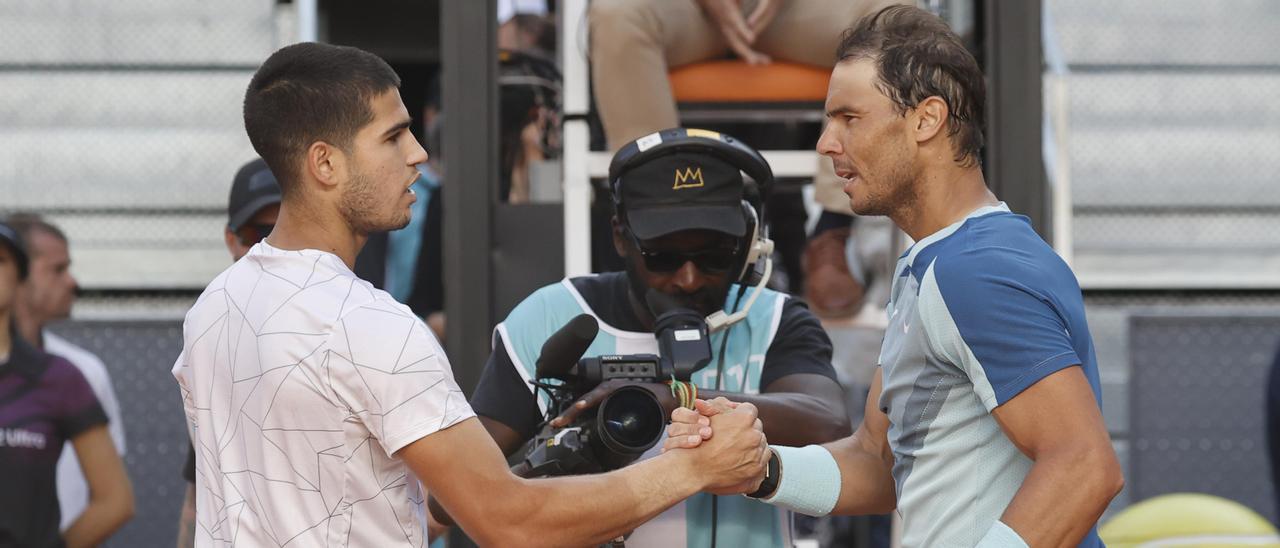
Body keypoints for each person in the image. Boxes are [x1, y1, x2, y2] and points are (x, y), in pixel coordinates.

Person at [173, 42, 768, 547]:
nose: (419, 154)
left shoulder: (213, 308)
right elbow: (505, 521)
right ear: (324, 163)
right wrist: (690, 469)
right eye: (394, 136)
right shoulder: (369, 325)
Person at [667, 6, 1124, 547]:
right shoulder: (937, 262)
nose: (826, 143)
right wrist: (758, 467)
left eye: (849, 118)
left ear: (926, 120)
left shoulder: (976, 272)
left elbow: (1085, 465)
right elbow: (878, 462)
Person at [467, 127, 850, 547]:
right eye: (662, 257)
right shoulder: (550, 315)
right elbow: (456, 496)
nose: (688, 279)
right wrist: (552, 466)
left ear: (747, 246)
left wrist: (672, 398)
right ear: (619, 236)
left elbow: (829, 424)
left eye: (715, 257)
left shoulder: (776, 317)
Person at [0, 222, 134, 547]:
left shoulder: (64, 376)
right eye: (56, 269)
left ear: (20, 276)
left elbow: (114, 500)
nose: (70, 282)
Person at [174, 157, 282, 548]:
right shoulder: (211, 337)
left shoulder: (359, 325)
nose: (270, 249)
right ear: (231, 238)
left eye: (285, 231)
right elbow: (199, 495)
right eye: (260, 232)